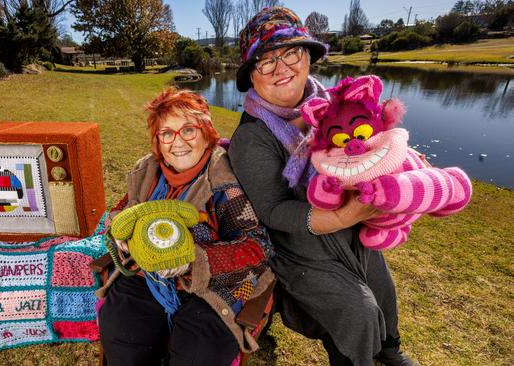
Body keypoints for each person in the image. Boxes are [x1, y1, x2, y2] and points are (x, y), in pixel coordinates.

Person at [228, 7, 419, 366]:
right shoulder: (251, 138)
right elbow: (272, 210)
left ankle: (389, 351)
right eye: (266, 62)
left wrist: (395, 158)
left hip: (354, 233)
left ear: (308, 56)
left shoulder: (337, 106)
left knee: (382, 288)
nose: (281, 68)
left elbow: (373, 146)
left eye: (290, 53)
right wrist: (344, 215)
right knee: (355, 310)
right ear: (251, 76)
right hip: (300, 250)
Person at [98, 87, 274, 366]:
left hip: (215, 285)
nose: (177, 142)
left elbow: (258, 247)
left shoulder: (225, 182)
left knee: (197, 355)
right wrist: (122, 233)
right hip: (148, 275)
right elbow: (120, 212)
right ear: (158, 141)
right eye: (166, 133)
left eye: (188, 130)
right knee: (122, 338)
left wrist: (193, 259)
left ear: (206, 134)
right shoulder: (147, 172)